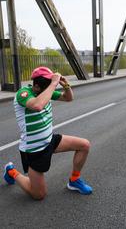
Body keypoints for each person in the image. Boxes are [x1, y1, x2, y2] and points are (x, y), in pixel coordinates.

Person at [3, 66, 92, 200]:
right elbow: (37, 106)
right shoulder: (23, 94)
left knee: (84, 145)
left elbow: (68, 98)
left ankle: (74, 181)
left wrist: (65, 85)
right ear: (37, 87)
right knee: (39, 195)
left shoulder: (46, 91)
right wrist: (53, 84)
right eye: (49, 88)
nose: (51, 91)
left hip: (50, 139)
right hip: (34, 149)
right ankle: (11, 171)